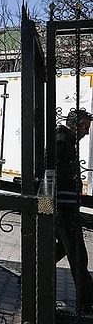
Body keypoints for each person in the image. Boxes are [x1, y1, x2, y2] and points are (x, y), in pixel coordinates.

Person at [55, 109, 93, 316]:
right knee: (78, 255)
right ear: (74, 125)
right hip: (64, 208)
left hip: (67, 207)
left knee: (63, 249)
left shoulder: (68, 141)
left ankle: (31, 274)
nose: (86, 132)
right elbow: (52, 173)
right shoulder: (61, 141)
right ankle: (87, 301)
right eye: (85, 127)